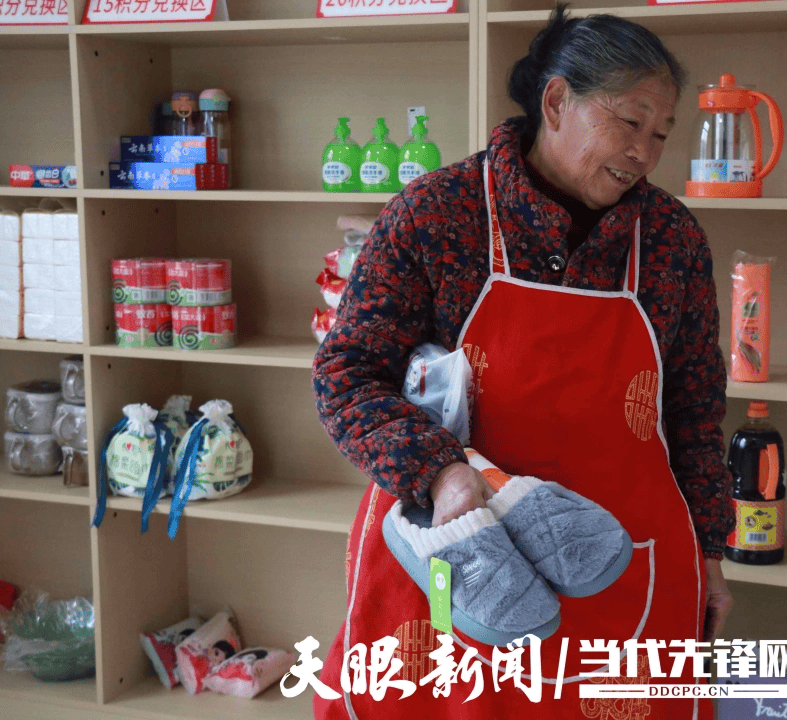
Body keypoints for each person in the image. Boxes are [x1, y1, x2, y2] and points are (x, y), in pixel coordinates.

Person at [312, 5, 735, 718]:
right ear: (557, 100)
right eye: (630, 123)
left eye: (661, 133)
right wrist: (442, 474)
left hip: (621, 561)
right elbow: (346, 374)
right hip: (464, 542)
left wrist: (711, 553)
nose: (645, 152)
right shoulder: (437, 213)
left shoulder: (671, 240)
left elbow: (695, 413)